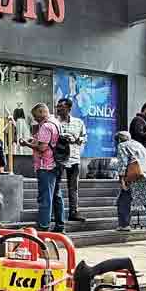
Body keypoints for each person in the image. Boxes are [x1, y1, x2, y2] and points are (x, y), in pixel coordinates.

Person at [21, 103, 64, 232]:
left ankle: (43, 226)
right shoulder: (56, 123)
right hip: (56, 164)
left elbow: (42, 147)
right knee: (56, 196)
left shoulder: (45, 126)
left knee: (45, 197)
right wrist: (34, 141)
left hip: (46, 166)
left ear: (42, 112)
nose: (35, 119)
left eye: (36, 116)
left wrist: (27, 144)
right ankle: (60, 225)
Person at [115, 131, 146, 243]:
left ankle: (124, 225)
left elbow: (123, 163)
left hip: (134, 176)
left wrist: (122, 180)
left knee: (123, 200)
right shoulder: (137, 144)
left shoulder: (122, 145)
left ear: (119, 140)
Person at [53, 98, 88, 222]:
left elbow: (84, 137)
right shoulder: (54, 122)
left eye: (61, 107)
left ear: (68, 108)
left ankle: (73, 212)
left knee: (73, 187)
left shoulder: (78, 122)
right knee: (55, 186)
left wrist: (78, 139)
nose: (58, 109)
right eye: (57, 107)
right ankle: (56, 214)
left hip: (74, 158)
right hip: (59, 158)